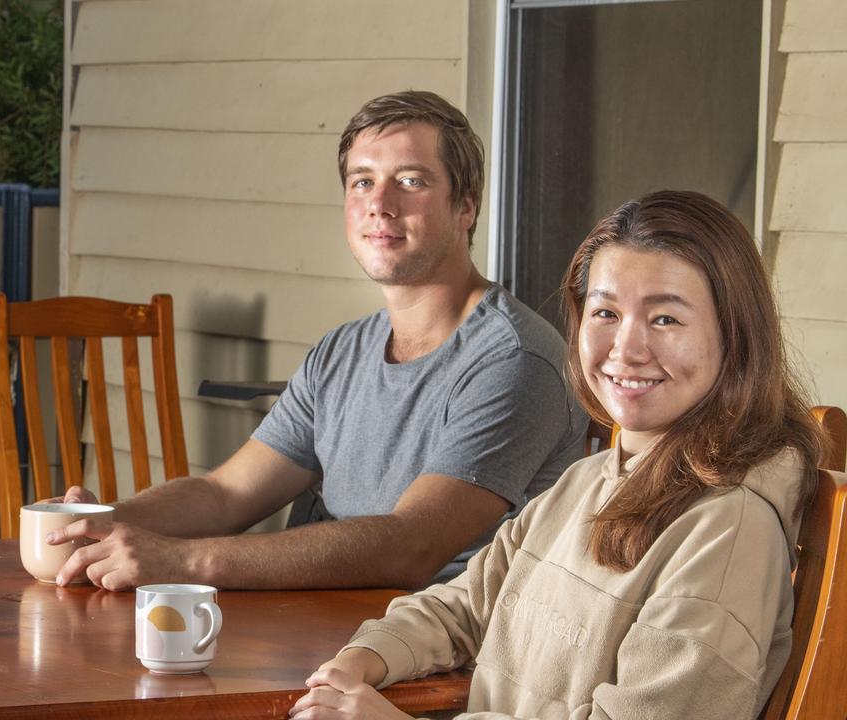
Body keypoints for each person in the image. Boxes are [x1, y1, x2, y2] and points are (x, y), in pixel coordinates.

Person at [290, 190, 826, 720]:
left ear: (736, 339)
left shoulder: (730, 530)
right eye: (605, 312)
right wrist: (362, 660)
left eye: (665, 319)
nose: (627, 348)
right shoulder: (587, 482)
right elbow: (464, 606)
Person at [49, 90, 585, 591]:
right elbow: (226, 495)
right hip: (331, 636)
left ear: (465, 208)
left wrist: (186, 561)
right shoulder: (341, 353)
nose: (380, 203)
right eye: (362, 181)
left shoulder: (515, 361)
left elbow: (411, 546)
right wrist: (98, 523)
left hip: (449, 662)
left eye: (412, 181)